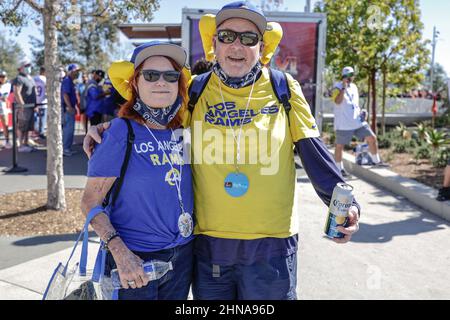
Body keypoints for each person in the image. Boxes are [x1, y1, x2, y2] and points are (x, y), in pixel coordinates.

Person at [84, 1, 361, 300]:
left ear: (262, 46)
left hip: (271, 243)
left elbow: (312, 149)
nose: (237, 46)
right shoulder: (196, 90)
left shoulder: (284, 87)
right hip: (210, 244)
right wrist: (110, 127)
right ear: (214, 44)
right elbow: (155, 117)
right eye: (227, 36)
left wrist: (344, 202)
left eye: (248, 38)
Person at [81, 41, 194, 300]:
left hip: (183, 256)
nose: (161, 82)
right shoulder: (120, 132)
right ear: (135, 83)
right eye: (151, 75)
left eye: (171, 76)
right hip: (134, 260)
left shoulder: (182, 130)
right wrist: (120, 253)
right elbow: (89, 202)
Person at [332, 66, 388, 177]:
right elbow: (337, 101)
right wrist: (343, 88)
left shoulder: (354, 87)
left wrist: (362, 112)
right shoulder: (336, 87)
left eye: (351, 75)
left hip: (357, 121)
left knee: (372, 138)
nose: (349, 78)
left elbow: (354, 104)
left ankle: (376, 161)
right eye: (346, 76)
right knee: (339, 146)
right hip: (343, 124)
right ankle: (339, 169)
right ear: (342, 76)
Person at [13, 60, 37, 153]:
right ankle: (21, 145)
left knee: (28, 127)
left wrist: (35, 105)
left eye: (30, 65)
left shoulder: (30, 78)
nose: (29, 67)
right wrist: (22, 105)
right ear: (21, 67)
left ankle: (26, 143)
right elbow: (16, 92)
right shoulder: (19, 78)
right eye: (27, 65)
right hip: (24, 107)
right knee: (21, 126)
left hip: (31, 106)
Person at [61, 63, 80, 157]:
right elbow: (65, 94)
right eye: (76, 71)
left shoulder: (70, 81)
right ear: (71, 71)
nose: (77, 73)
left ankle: (67, 147)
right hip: (67, 108)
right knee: (68, 129)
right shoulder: (67, 81)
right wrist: (69, 106)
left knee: (69, 129)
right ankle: (65, 148)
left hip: (69, 107)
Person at [34, 66, 47, 139]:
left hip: (36, 100)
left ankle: (36, 132)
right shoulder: (45, 79)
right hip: (43, 101)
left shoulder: (34, 78)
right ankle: (41, 133)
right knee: (42, 118)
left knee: (36, 118)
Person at [0, 70, 12, 149]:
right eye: (1, 77)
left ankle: (7, 141)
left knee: (5, 124)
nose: (2, 78)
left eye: (3, 76)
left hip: (3, 107)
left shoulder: (8, 85)